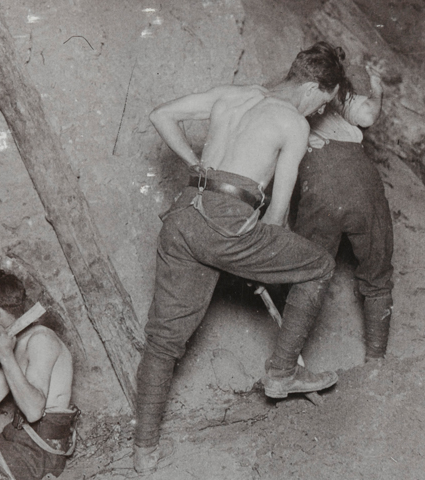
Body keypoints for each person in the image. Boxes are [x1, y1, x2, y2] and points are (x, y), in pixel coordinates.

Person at [133, 41, 350, 474]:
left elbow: (161, 114)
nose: (315, 113)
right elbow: (276, 214)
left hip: (183, 214)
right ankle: (282, 373)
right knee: (320, 265)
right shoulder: (292, 122)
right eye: (320, 104)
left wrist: (197, 164)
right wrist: (264, 260)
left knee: (163, 341)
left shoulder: (234, 94)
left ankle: (144, 451)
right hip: (228, 223)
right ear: (310, 88)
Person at [293, 62, 393, 362]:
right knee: (377, 274)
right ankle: (377, 362)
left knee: (307, 272)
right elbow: (368, 114)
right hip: (360, 178)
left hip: (319, 178)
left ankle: (285, 367)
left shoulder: (285, 93)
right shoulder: (337, 88)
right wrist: (376, 85)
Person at [0, 269, 77, 480]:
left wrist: (6, 356)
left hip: (41, 449)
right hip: (18, 438)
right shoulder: (16, 342)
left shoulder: (41, 340)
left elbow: (34, 411)